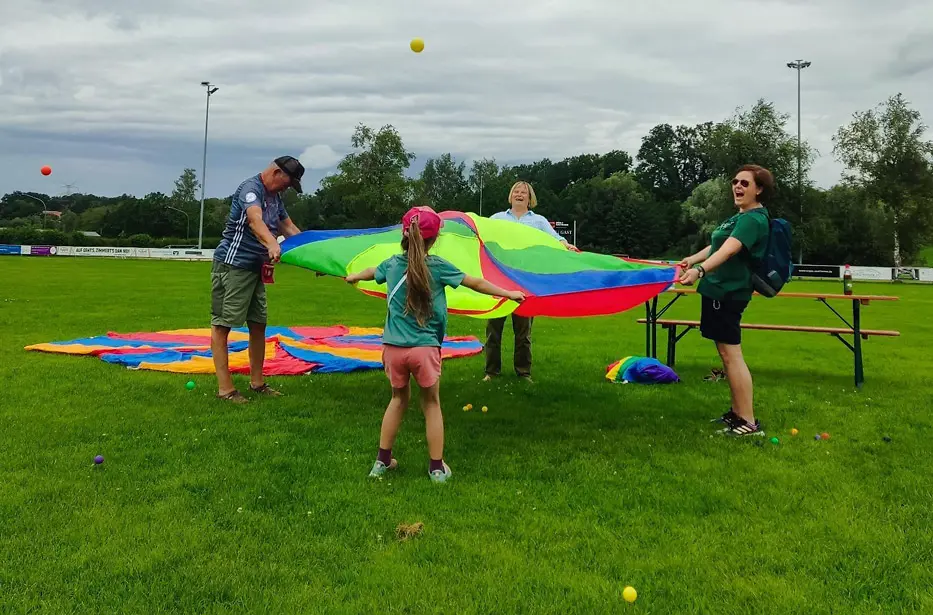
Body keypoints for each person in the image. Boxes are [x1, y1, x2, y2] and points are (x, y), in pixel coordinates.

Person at [346, 206, 525, 482]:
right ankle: (437, 468)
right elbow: (475, 282)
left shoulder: (392, 264)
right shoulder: (438, 267)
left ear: (404, 235)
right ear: (435, 238)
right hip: (425, 349)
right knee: (431, 404)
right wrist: (508, 293)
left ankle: (381, 463)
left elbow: (372, 271)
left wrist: (355, 275)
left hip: (393, 349)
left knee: (397, 400)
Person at [678, 164, 773, 436]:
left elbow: (730, 251)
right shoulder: (739, 217)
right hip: (717, 290)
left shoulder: (754, 219)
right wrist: (693, 260)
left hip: (729, 292)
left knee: (732, 355)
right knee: (725, 355)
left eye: (745, 183)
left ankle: (748, 422)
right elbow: (718, 244)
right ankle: (736, 413)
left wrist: (700, 270)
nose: (738, 187)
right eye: (735, 182)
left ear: (759, 189)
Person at [210, 156, 304, 403]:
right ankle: (225, 389)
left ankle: (257, 383)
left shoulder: (276, 198)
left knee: (258, 324)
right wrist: (272, 243)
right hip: (233, 266)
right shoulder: (251, 190)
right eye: (288, 182)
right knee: (222, 325)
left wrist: (314, 255)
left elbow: (290, 229)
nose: (287, 188)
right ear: (275, 172)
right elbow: (255, 220)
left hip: (256, 269)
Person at [484, 181, 578, 383]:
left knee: (523, 332)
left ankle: (523, 372)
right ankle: (491, 372)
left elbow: (555, 239)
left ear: (530, 198)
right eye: (516, 191)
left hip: (525, 282)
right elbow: (481, 235)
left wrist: (565, 245)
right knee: (493, 330)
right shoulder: (497, 219)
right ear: (510, 196)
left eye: (523, 192)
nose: (519, 194)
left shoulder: (539, 221)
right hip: (499, 280)